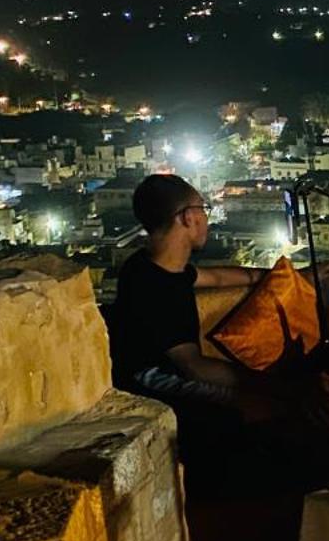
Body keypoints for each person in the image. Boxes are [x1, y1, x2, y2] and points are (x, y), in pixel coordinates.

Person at [111, 174, 275, 488]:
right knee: (268, 409)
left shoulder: (150, 267)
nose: (206, 218)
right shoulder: (154, 287)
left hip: (161, 374)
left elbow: (218, 279)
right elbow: (193, 366)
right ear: (188, 217)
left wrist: (285, 275)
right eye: (203, 209)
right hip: (154, 381)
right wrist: (270, 383)